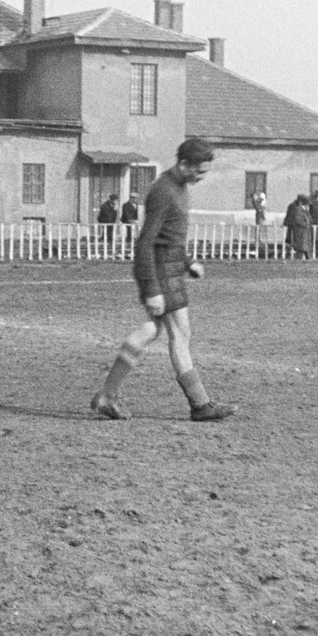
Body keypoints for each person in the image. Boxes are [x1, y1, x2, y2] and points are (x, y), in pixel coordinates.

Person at [89, 138, 236, 423]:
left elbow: (170, 237)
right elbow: (146, 243)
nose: (202, 177)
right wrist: (152, 288)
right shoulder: (163, 191)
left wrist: (187, 261)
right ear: (183, 164)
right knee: (179, 334)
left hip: (171, 269)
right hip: (160, 273)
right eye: (199, 171)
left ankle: (107, 395)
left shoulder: (180, 187)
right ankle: (200, 404)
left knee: (152, 330)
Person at [284, 194, 312, 260]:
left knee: (304, 246)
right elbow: (297, 220)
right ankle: (298, 258)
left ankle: (306, 258)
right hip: (299, 230)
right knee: (300, 246)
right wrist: (305, 224)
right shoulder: (297, 208)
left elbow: (309, 218)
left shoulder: (304, 210)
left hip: (304, 231)